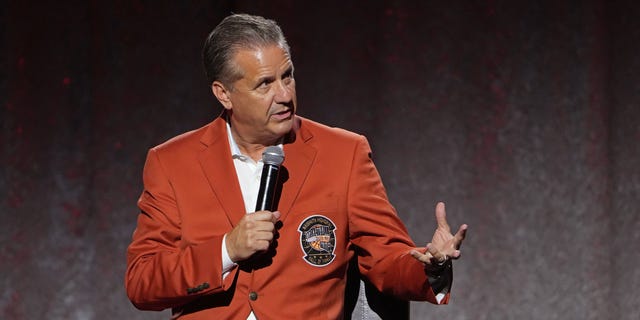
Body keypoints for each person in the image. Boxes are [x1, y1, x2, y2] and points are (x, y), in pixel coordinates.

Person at [125, 13, 468, 320]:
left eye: (286, 77)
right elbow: (142, 281)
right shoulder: (172, 162)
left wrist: (432, 265)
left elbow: (386, 259)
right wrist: (227, 250)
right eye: (265, 84)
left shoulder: (343, 153)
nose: (284, 94)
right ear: (224, 94)